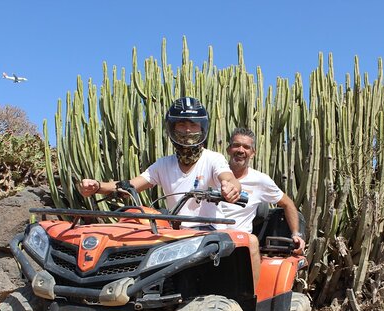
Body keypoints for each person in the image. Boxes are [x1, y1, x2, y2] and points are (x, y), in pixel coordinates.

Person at [79, 97, 241, 225]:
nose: (187, 130)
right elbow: (129, 186)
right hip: (175, 232)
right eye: (181, 124)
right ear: (172, 128)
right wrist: (97, 186)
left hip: (210, 229)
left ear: (202, 128)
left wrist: (231, 187)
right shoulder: (163, 165)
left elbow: (228, 178)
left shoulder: (213, 159)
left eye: (193, 124)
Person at [220, 127, 306, 292]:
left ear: (253, 153)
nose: (240, 150)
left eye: (246, 147)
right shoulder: (214, 173)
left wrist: (296, 233)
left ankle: (250, 306)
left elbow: (287, 204)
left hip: (239, 244)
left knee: (251, 244)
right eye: (236, 145)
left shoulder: (260, 180)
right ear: (228, 149)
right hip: (207, 236)